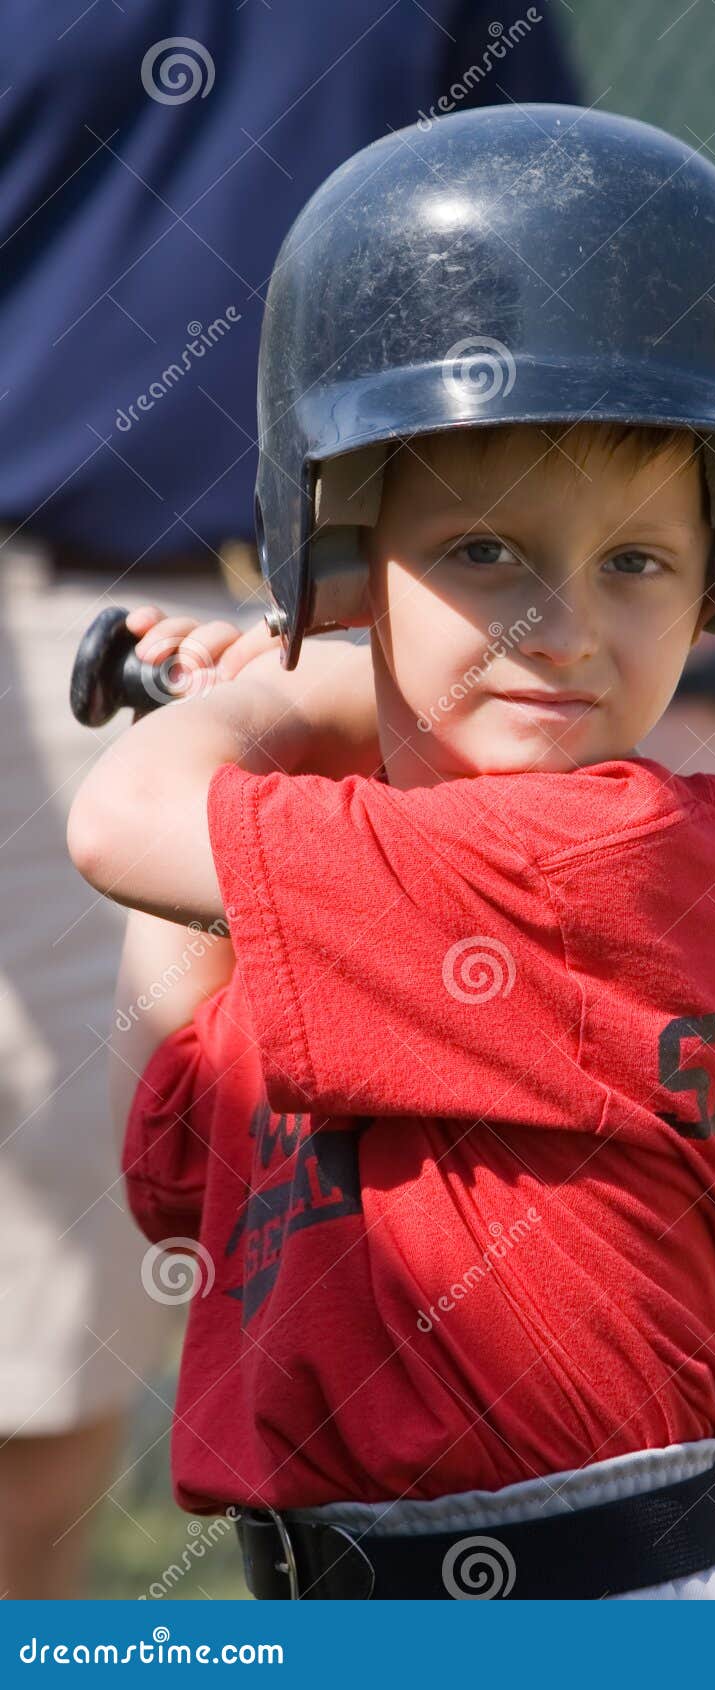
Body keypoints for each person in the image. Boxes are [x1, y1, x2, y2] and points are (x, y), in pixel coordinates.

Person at [64, 106, 715, 1600]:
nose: (563, 628)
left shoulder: (611, 856)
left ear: (710, 586)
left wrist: (285, 698)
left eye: (635, 561)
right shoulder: (384, 892)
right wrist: (266, 742)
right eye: (483, 552)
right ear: (345, 558)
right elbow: (184, 1120)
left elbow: (120, 825)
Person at [0, 1, 578, 1597]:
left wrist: (689, 684)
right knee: (37, 1371)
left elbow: (543, 228)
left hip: (359, 616)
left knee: (98, 1360)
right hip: (99, 636)